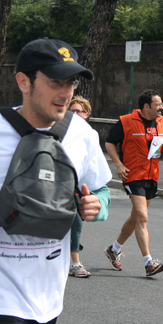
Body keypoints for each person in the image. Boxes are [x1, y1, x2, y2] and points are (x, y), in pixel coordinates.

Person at [0, 38, 112, 324]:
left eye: (72, 83)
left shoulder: (82, 133)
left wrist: (97, 204)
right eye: (55, 82)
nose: (66, 93)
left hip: (50, 297)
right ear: (23, 82)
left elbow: (100, 187)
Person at [104, 89, 163, 276]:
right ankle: (149, 262)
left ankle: (114, 249)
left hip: (152, 176)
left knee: (136, 217)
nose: (161, 107)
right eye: (158, 104)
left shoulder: (162, 122)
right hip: (133, 175)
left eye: (161, 104)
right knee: (142, 216)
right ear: (146, 106)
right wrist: (118, 165)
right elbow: (109, 142)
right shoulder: (126, 121)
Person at [67, 96, 94, 278]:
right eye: (73, 111)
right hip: (58, 185)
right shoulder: (60, 130)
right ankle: (75, 264)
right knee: (74, 222)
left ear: (87, 114)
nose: (76, 114)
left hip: (77, 188)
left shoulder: (89, 135)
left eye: (80, 111)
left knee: (75, 223)